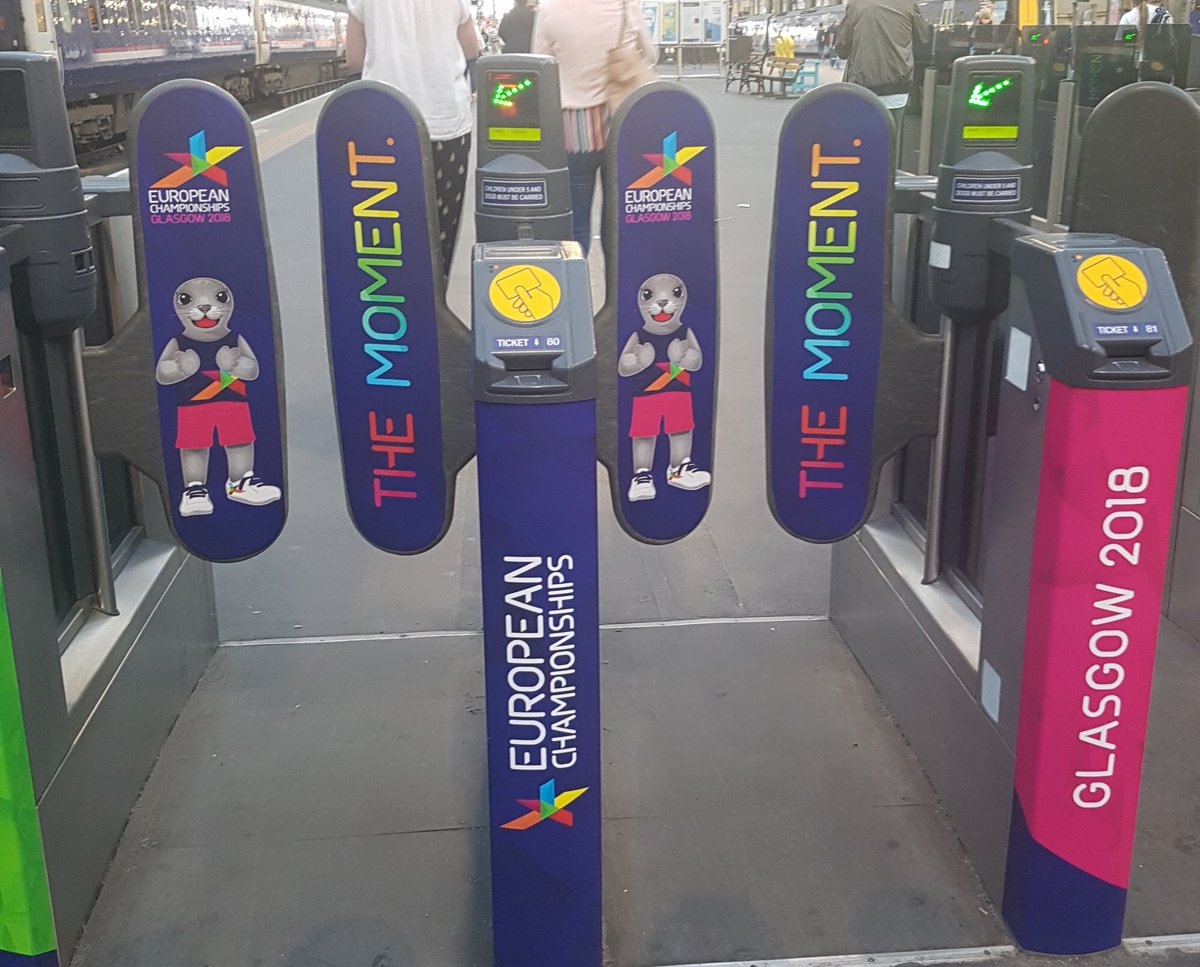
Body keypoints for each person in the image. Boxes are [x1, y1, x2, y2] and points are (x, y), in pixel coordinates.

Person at [346, 0, 479, 282]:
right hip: (446, 120)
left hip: (383, 125)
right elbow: (472, 49)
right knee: (440, 228)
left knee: (390, 228)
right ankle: (435, 303)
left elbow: (355, 59)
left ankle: (398, 300)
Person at [534, 0, 656, 255]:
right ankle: (618, 289)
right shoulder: (623, 5)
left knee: (576, 222)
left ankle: (577, 288)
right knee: (618, 217)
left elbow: (540, 65)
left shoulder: (550, 9)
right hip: (621, 120)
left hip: (573, 127)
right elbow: (651, 55)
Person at [836, 0, 930, 123]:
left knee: (861, 137)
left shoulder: (856, 3)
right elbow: (923, 38)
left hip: (863, 87)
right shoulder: (909, 3)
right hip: (898, 85)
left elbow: (842, 48)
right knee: (891, 136)